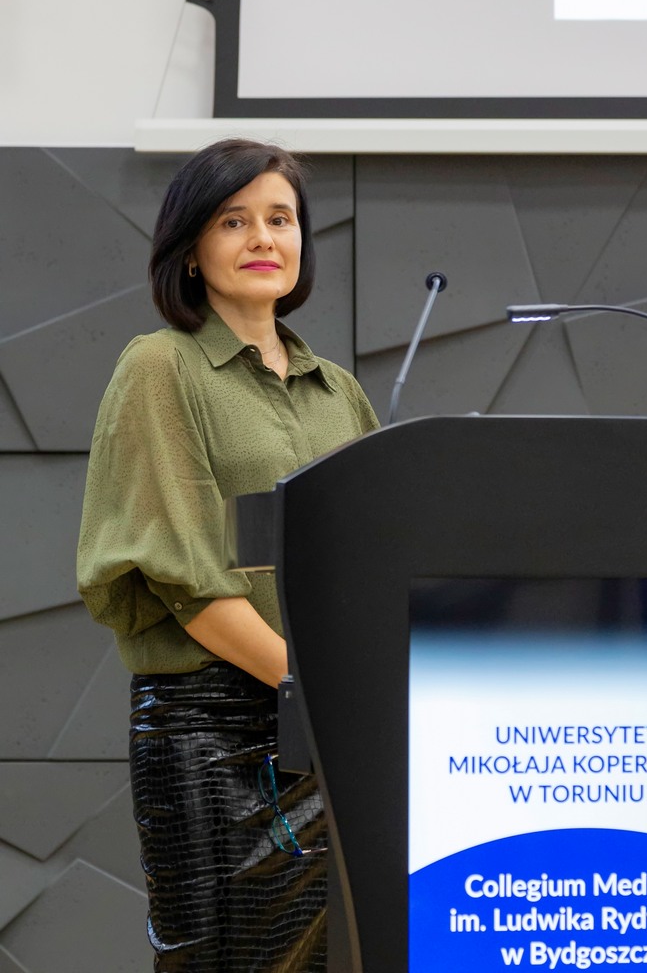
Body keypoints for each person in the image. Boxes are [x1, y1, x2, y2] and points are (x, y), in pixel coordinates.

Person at [76, 138, 379, 972]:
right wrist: (322, 690)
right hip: (212, 733)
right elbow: (183, 577)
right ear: (191, 250)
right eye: (233, 221)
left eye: (280, 219)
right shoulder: (160, 366)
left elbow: (370, 561)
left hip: (329, 732)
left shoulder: (339, 392)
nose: (263, 238)